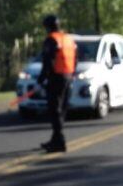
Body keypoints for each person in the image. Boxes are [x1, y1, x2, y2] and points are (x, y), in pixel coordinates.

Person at [36, 15, 77, 153]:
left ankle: (59, 140)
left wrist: (42, 78)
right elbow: (75, 59)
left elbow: (47, 60)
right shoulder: (68, 39)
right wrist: (72, 74)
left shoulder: (51, 39)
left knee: (54, 109)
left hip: (56, 77)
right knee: (62, 108)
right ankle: (56, 138)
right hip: (68, 76)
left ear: (47, 27)